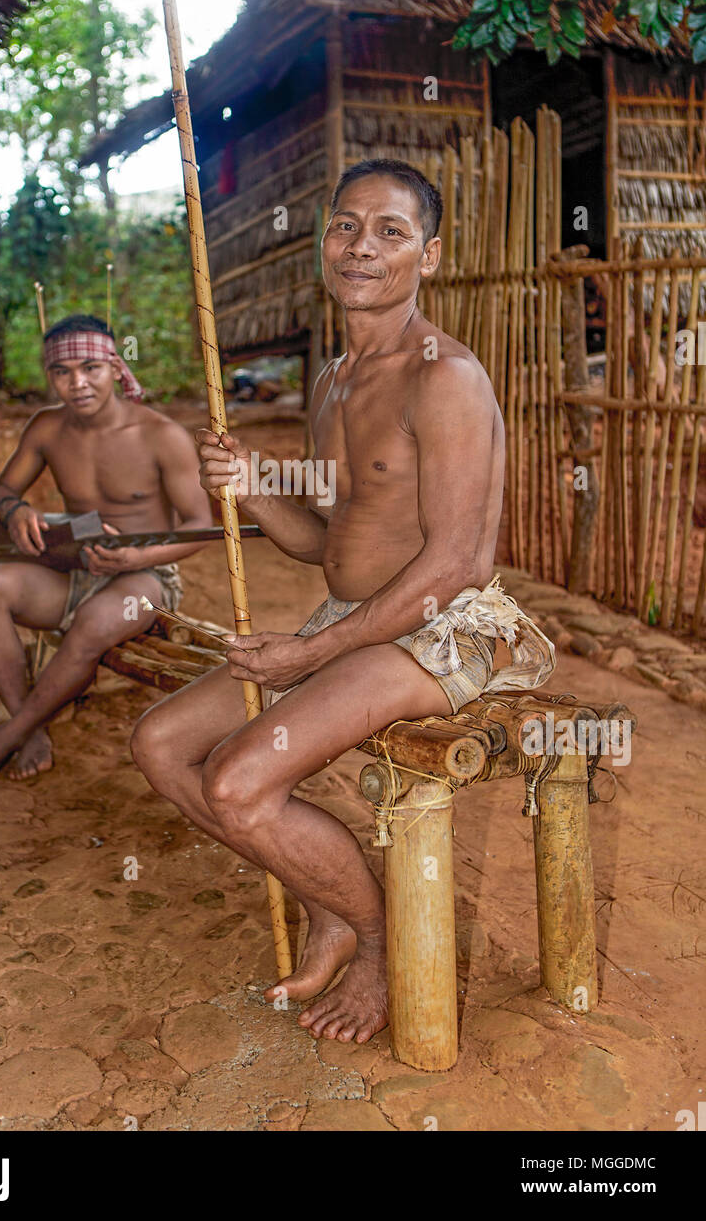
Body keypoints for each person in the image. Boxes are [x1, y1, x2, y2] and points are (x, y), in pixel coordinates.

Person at [130, 158, 555, 1045]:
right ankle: (333, 903)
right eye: (345, 226)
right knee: (163, 742)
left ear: (429, 257)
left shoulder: (447, 379)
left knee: (241, 785)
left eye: (390, 232)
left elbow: (452, 564)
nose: (362, 246)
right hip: (352, 624)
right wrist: (248, 485)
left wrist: (310, 654)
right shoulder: (332, 380)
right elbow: (326, 541)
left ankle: (373, 940)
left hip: (447, 631)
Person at [0, 313, 212, 787]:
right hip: (74, 567)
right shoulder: (46, 429)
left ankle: (3, 740)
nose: (77, 383)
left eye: (90, 368)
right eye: (62, 372)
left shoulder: (160, 435)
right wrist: (14, 511)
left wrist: (137, 559)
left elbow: (201, 526)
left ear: (115, 369)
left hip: (145, 577)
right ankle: (31, 728)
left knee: (96, 622)